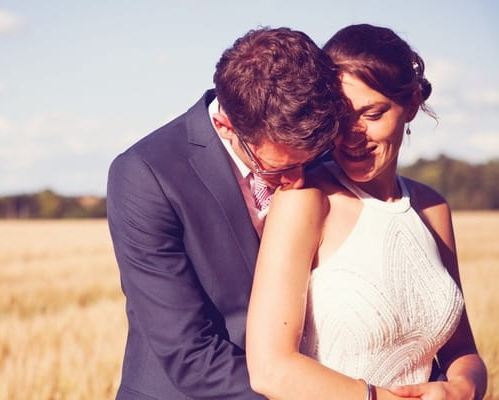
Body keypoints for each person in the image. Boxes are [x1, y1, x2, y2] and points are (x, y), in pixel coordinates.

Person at [246, 24, 488, 400]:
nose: (352, 135)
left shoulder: (432, 207)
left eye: (372, 114)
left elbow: (462, 351)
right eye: (340, 118)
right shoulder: (305, 200)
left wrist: (462, 388)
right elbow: (269, 370)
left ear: (409, 104)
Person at [107, 27, 347, 399]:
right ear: (225, 125)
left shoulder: (312, 142)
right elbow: (190, 356)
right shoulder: (145, 174)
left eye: (310, 160)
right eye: (276, 168)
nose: (298, 180)